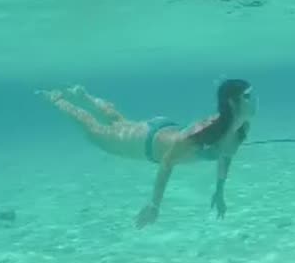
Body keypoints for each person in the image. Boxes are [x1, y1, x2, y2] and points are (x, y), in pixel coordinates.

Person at [37, 79, 256, 228]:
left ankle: (83, 96)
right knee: (95, 132)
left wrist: (219, 191)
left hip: (162, 129)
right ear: (232, 102)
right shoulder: (204, 132)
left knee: (119, 122)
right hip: (145, 142)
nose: (254, 99)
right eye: (248, 95)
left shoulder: (240, 127)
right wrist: (154, 205)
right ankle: (57, 99)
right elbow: (167, 162)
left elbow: (226, 154)